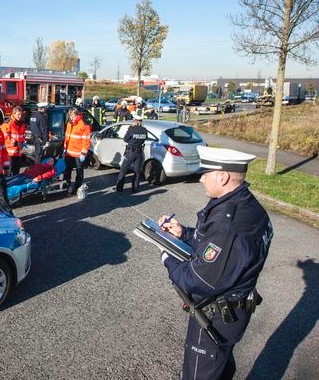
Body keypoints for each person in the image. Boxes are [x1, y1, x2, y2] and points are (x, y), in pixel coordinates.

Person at [158, 146, 272, 380]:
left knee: (202, 373)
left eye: (206, 172)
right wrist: (184, 234)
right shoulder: (247, 205)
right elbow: (219, 248)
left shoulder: (229, 224)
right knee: (220, 367)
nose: (201, 178)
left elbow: (197, 281)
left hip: (217, 316)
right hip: (235, 309)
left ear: (223, 176)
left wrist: (166, 254)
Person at [115, 113, 148, 193]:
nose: (132, 122)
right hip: (139, 152)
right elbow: (145, 139)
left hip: (131, 152)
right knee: (137, 171)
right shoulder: (144, 130)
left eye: (133, 120)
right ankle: (135, 188)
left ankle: (119, 189)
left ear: (135, 121)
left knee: (123, 169)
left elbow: (125, 139)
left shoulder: (131, 129)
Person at [63, 107, 91, 196]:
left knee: (79, 171)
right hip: (69, 152)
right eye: (70, 116)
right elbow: (67, 137)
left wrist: (83, 153)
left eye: (73, 116)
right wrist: (64, 148)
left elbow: (86, 140)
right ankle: (67, 184)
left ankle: (77, 188)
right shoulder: (69, 123)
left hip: (78, 153)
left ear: (78, 115)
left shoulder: (84, 125)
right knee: (67, 170)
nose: (71, 118)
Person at [1, 106, 26, 176]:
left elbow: (22, 136)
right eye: (18, 114)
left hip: (18, 152)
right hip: (10, 153)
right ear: (13, 114)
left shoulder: (22, 124)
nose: (20, 116)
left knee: (16, 171)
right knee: (9, 172)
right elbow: (4, 137)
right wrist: (16, 143)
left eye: (21, 114)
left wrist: (24, 141)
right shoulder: (7, 123)